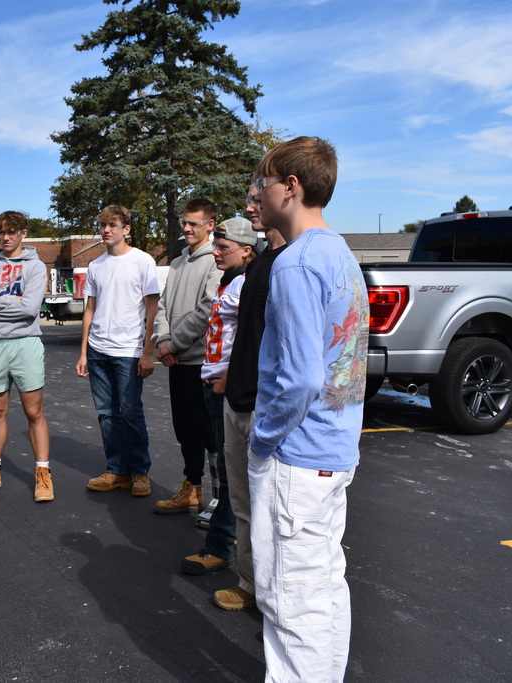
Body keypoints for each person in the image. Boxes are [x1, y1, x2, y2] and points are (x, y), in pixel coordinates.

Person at [249, 136, 369, 682]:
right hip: (333, 450)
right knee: (321, 589)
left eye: (261, 183)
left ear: (290, 188)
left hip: (296, 457)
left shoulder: (295, 264)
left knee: (289, 600)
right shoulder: (339, 253)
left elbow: (300, 378)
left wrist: (262, 437)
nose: (255, 193)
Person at [210, 180, 288, 611]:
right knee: (243, 504)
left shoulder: (292, 263)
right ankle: (250, 583)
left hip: (265, 407)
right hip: (236, 401)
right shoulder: (255, 268)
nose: (250, 207)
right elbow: (245, 336)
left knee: (272, 514)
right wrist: (228, 377)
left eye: (257, 199)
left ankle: (276, 600)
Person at [180, 217, 257, 575]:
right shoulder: (229, 281)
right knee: (227, 473)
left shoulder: (247, 284)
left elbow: (254, 335)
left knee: (230, 476)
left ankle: (220, 545)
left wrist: (231, 375)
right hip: (211, 385)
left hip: (226, 390)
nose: (216, 252)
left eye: (224, 248)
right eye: (216, 246)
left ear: (247, 250)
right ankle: (232, 539)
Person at [0, 211, 53, 502]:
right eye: (2, 232)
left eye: (12, 232)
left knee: (33, 412)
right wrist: (8, 301)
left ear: (23, 234)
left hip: (25, 343)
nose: (6, 237)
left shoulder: (36, 266)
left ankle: (43, 473)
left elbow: (29, 309)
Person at [75, 205, 160, 497]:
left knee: (130, 413)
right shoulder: (96, 265)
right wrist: (84, 352)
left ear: (126, 229)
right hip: (98, 350)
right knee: (106, 414)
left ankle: (139, 472)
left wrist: (148, 351)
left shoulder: (142, 261)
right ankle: (117, 470)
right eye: (103, 225)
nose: (106, 230)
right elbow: (89, 309)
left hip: (128, 350)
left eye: (113, 225)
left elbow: (152, 308)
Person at [151, 198, 224, 515]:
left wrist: (173, 345)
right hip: (176, 360)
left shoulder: (216, 262)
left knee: (211, 436)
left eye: (194, 223)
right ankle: (192, 489)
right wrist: (163, 340)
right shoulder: (178, 262)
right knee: (186, 431)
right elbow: (163, 307)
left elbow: (207, 311)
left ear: (210, 225)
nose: (187, 228)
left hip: (201, 364)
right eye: (185, 222)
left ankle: (220, 500)